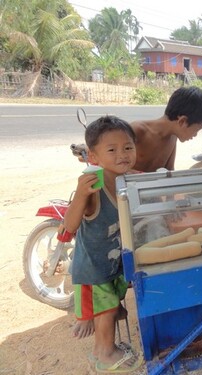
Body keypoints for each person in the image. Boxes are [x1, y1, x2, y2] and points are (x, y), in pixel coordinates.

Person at [64, 115, 143, 373]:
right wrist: (80, 195)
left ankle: (97, 324)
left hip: (113, 262)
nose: (122, 155)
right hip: (93, 266)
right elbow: (70, 225)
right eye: (112, 150)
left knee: (114, 299)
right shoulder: (93, 188)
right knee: (107, 306)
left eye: (128, 147)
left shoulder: (127, 179)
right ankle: (103, 353)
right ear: (93, 156)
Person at [131, 86, 202, 172]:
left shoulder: (173, 138)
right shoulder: (137, 130)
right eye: (197, 129)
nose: (195, 135)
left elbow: (169, 171)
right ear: (182, 121)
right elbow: (115, 168)